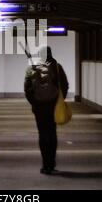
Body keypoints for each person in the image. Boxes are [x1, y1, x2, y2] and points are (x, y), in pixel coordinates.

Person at [24, 45, 68, 175]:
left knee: (42, 134)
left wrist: (34, 102)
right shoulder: (57, 67)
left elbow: (27, 88)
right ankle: (52, 162)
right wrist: (59, 100)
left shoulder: (31, 68)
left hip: (39, 107)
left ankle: (45, 164)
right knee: (52, 133)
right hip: (53, 105)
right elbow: (64, 85)